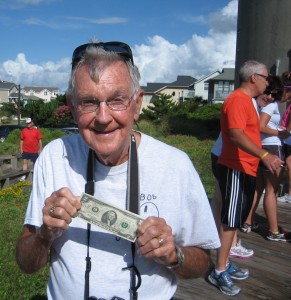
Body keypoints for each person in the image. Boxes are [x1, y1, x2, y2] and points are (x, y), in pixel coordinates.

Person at [16, 40, 220, 300]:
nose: (103, 117)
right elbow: (26, 263)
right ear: (72, 106)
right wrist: (45, 236)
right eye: (89, 102)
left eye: (117, 100)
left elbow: (203, 261)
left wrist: (173, 255)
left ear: (137, 103)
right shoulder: (54, 157)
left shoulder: (176, 165)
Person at [208, 60, 284, 297]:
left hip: (245, 168)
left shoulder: (249, 101)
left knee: (234, 220)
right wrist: (264, 155)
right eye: (265, 77)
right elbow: (236, 135)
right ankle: (219, 270)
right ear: (254, 78)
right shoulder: (238, 100)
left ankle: (224, 261)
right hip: (234, 167)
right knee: (230, 221)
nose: (267, 82)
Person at [241, 76, 291, 242]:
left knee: (258, 188)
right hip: (272, 148)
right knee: (272, 191)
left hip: (261, 147)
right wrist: (280, 132)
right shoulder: (272, 105)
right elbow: (261, 126)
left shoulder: (260, 104)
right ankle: (274, 230)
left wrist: (277, 128)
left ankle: (247, 221)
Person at [280, 72, 291, 203]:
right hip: (287, 137)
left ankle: (290, 194)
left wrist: (286, 132)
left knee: (289, 163)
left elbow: (289, 126)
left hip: (288, 138)